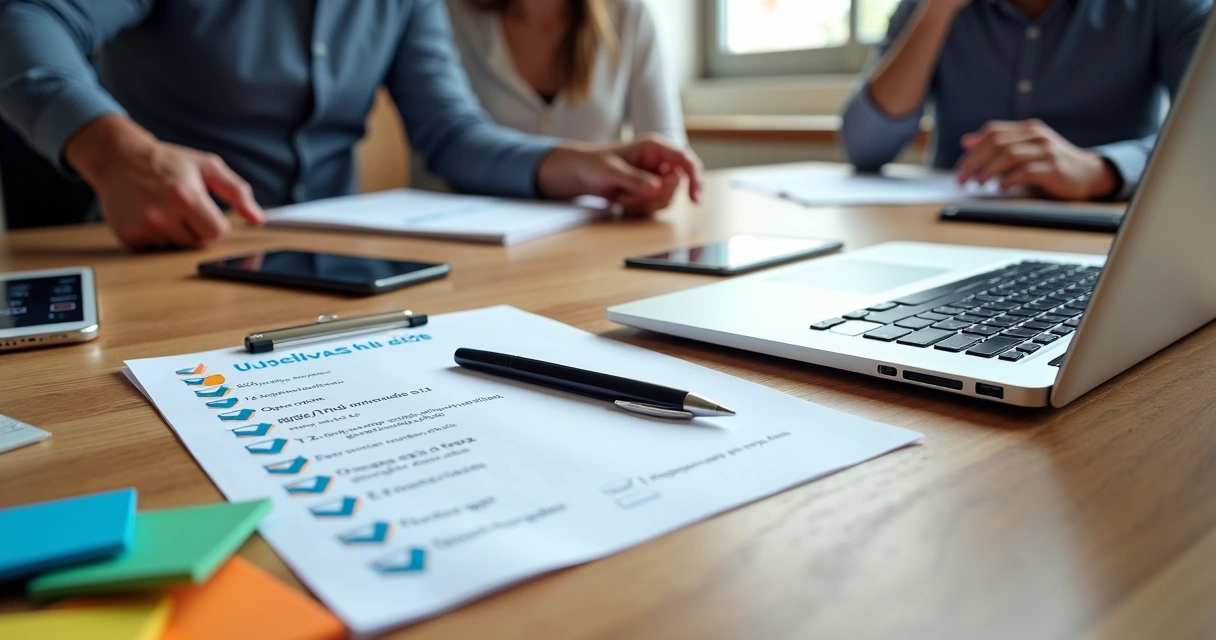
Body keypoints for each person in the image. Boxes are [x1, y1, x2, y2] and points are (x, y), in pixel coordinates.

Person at [0, 1, 701, 250]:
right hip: (166, 251)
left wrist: (572, 163)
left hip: (336, 260)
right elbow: (26, 17)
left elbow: (449, 131)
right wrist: (115, 150)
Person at [840, 0, 1213, 201]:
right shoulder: (924, 8)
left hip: (1104, 232)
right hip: (951, 230)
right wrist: (936, 10)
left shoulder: (1171, 6)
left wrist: (1103, 170)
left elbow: (1207, 137)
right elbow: (864, 148)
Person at [437, 0, 690, 214]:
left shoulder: (628, 15)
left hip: (592, 232)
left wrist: (654, 184)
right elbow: (447, 139)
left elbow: (665, 142)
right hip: (469, 228)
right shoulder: (447, 14)